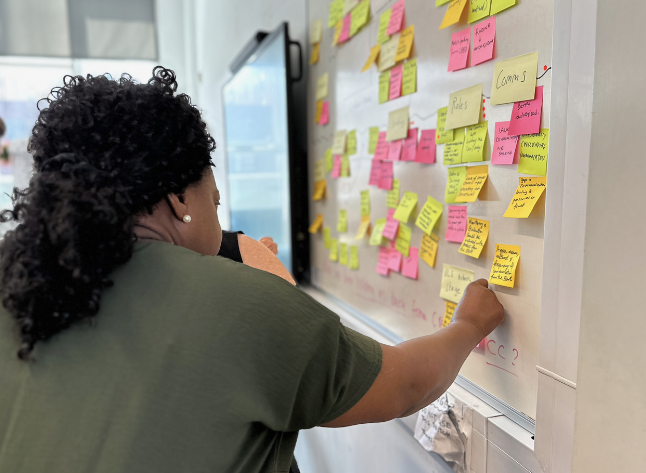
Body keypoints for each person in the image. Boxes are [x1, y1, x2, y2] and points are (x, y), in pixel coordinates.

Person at [0, 68, 503, 473]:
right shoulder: (238, 304)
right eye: (213, 201)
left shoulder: (20, 287)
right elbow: (405, 386)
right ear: (180, 200)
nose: (219, 217)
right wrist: (468, 326)